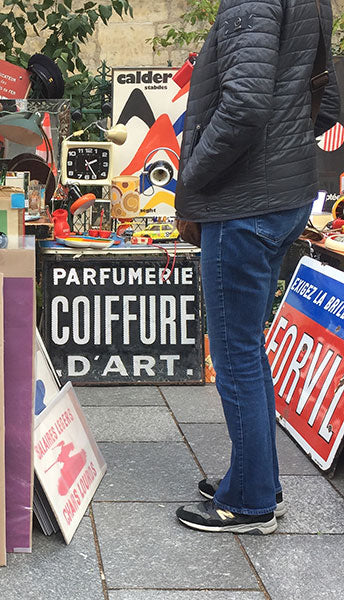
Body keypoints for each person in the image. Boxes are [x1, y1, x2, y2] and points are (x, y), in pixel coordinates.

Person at [174, 0, 340, 534]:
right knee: (248, 347)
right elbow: (329, 103)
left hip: (241, 204)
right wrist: (285, 149)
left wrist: (190, 183)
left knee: (236, 353)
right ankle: (257, 480)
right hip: (284, 197)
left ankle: (248, 501)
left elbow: (244, 106)